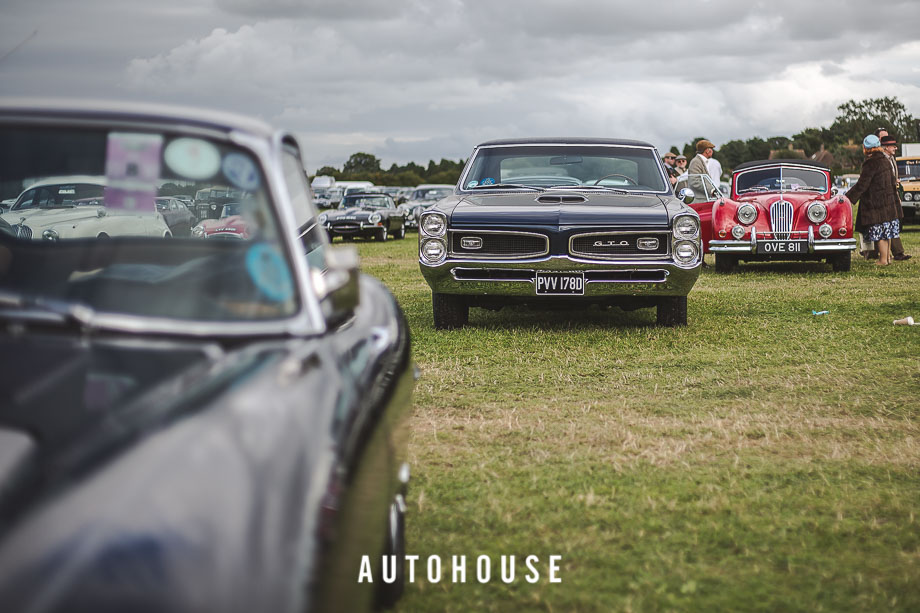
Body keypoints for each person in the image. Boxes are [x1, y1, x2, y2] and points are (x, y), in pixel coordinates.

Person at [846, 134, 903, 266]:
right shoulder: (885, 160)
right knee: (887, 232)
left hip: (877, 203)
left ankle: (883, 260)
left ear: (866, 148)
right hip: (888, 203)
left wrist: (848, 198)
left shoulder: (871, 162)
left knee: (880, 233)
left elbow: (862, 184)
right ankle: (887, 258)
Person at [880, 134, 910, 260]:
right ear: (886, 147)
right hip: (884, 195)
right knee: (885, 223)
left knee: (893, 222)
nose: (895, 148)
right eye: (893, 146)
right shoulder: (882, 160)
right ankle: (887, 254)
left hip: (892, 193)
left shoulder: (891, 158)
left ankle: (897, 252)